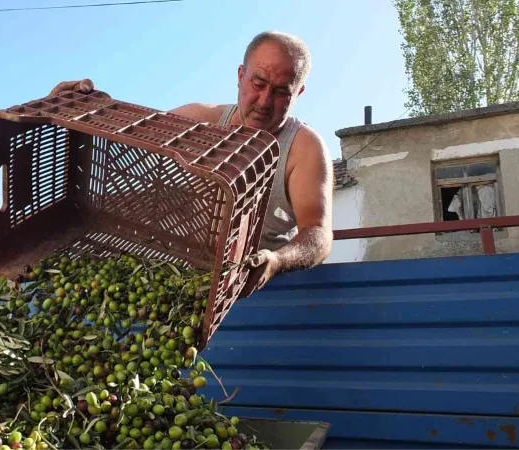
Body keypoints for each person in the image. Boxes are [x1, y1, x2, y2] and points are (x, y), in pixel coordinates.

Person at [47, 31, 334, 298]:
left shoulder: (303, 149)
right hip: (179, 280)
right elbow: (131, 128)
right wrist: (85, 109)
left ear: (298, 93)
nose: (264, 101)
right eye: (258, 84)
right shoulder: (202, 121)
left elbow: (318, 235)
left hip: (248, 293)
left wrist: (277, 261)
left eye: (282, 91)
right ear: (240, 76)